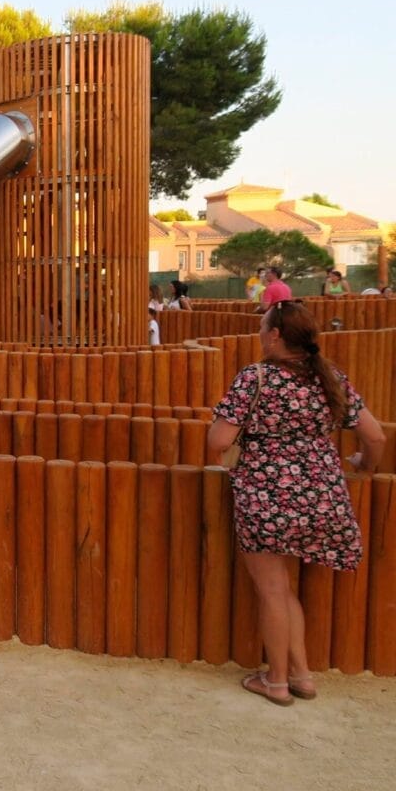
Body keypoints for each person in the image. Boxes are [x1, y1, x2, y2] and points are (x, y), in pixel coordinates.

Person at [208, 301, 386, 705]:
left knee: (272, 590)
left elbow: (219, 442)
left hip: (267, 495)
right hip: (323, 497)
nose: (258, 334)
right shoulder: (330, 377)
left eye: (262, 327)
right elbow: (374, 438)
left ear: (274, 336)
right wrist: (364, 466)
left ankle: (275, 681)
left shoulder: (255, 379)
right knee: (284, 591)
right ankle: (302, 676)